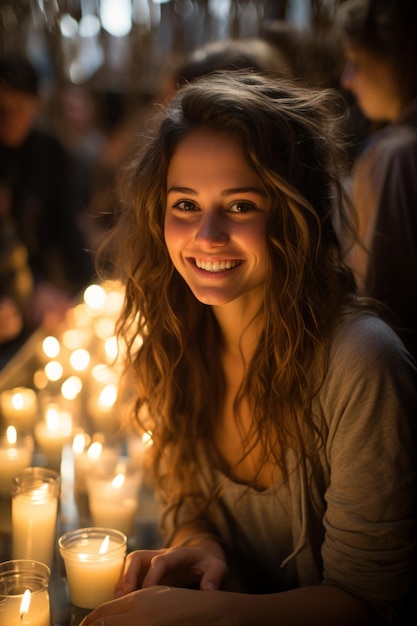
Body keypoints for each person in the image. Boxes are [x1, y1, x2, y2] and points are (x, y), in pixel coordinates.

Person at [82, 72, 417, 626]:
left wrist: (210, 611)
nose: (207, 235)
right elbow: (187, 499)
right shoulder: (171, 341)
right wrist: (201, 544)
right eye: (185, 204)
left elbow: (371, 600)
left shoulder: (361, 363)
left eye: (240, 206)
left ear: (293, 216)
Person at [0, 55, 96, 364]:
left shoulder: (49, 151)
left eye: (19, 109)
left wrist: (89, 283)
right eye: (1, 110)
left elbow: (63, 223)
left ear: (36, 104)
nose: (8, 119)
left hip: (32, 282)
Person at [336, 0, 417, 360]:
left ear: (400, 57)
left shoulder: (396, 156)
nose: (347, 79)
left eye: (358, 61)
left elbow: (384, 297)